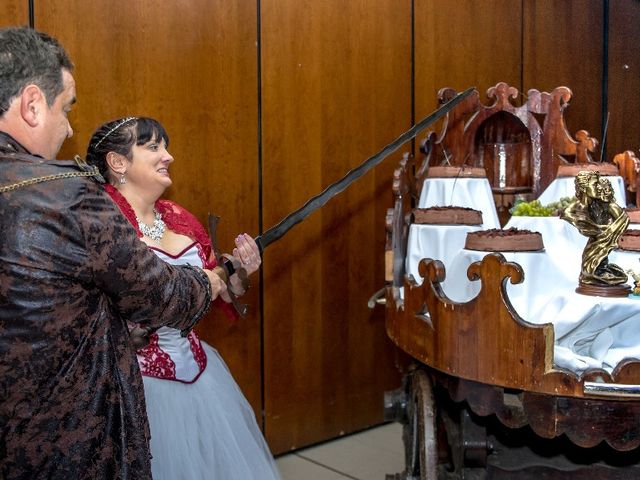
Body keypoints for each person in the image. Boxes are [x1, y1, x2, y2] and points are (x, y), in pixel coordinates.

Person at [0, 27, 229, 479]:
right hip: (64, 439)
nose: (68, 129)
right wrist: (207, 280)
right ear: (31, 104)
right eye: (65, 108)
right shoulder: (65, 196)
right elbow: (160, 295)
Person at [86, 116, 281, 480]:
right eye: (154, 147)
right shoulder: (103, 225)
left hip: (201, 376)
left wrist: (239, 272)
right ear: (118, 162)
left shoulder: (179, 218)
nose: (168, 156)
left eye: (166, 146)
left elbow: (217, 290)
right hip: (137, 386)